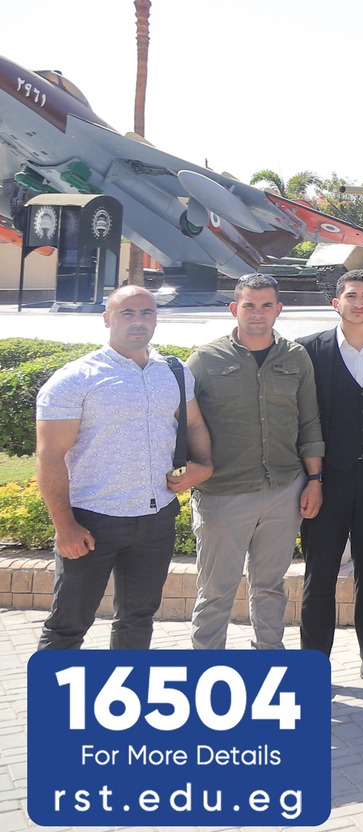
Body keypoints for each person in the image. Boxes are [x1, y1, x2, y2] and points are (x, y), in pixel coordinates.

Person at [35, 285, 212, 651]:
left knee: (138, 619)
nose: (138, 321)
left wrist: (204, 466)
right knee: (67, 626)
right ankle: (51, 690)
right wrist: (65, 526)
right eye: (127, 313)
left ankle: (127, 687)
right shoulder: (76, 379)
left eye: (146, 313)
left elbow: (193, 423)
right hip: (92, 520)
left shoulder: (174, 372)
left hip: (156, 518)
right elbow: (50, 456)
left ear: (156, 318)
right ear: (107, 318)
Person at [187, 273, 322, 652]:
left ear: (279, 309)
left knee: (270, 586)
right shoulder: (205, 360)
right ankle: (205, 668)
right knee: (216, 590)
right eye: (249, 305)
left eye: (266, 305)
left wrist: (315, 480)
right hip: (223, 494)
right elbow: (181, 422)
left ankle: (269, 661)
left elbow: (309, 422)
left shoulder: (295, 357)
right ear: (235, 308)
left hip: (283, 490)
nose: (257, 313)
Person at [297, 270, 363, 685]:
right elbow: (301, 417)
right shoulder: (309, 349)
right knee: (319, 573)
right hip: (326, 479)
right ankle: (313, 666)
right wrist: (311, 477)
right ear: (336, 302)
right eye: (351, 295)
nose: (359, 303)